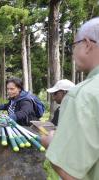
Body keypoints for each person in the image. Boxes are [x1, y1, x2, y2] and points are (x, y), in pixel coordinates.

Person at [41, 17, 99, 179]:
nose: (72, 52)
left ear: (87, 45)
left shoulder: (83, 96)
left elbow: (68, 171)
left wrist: (50, 143)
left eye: (74, 46)